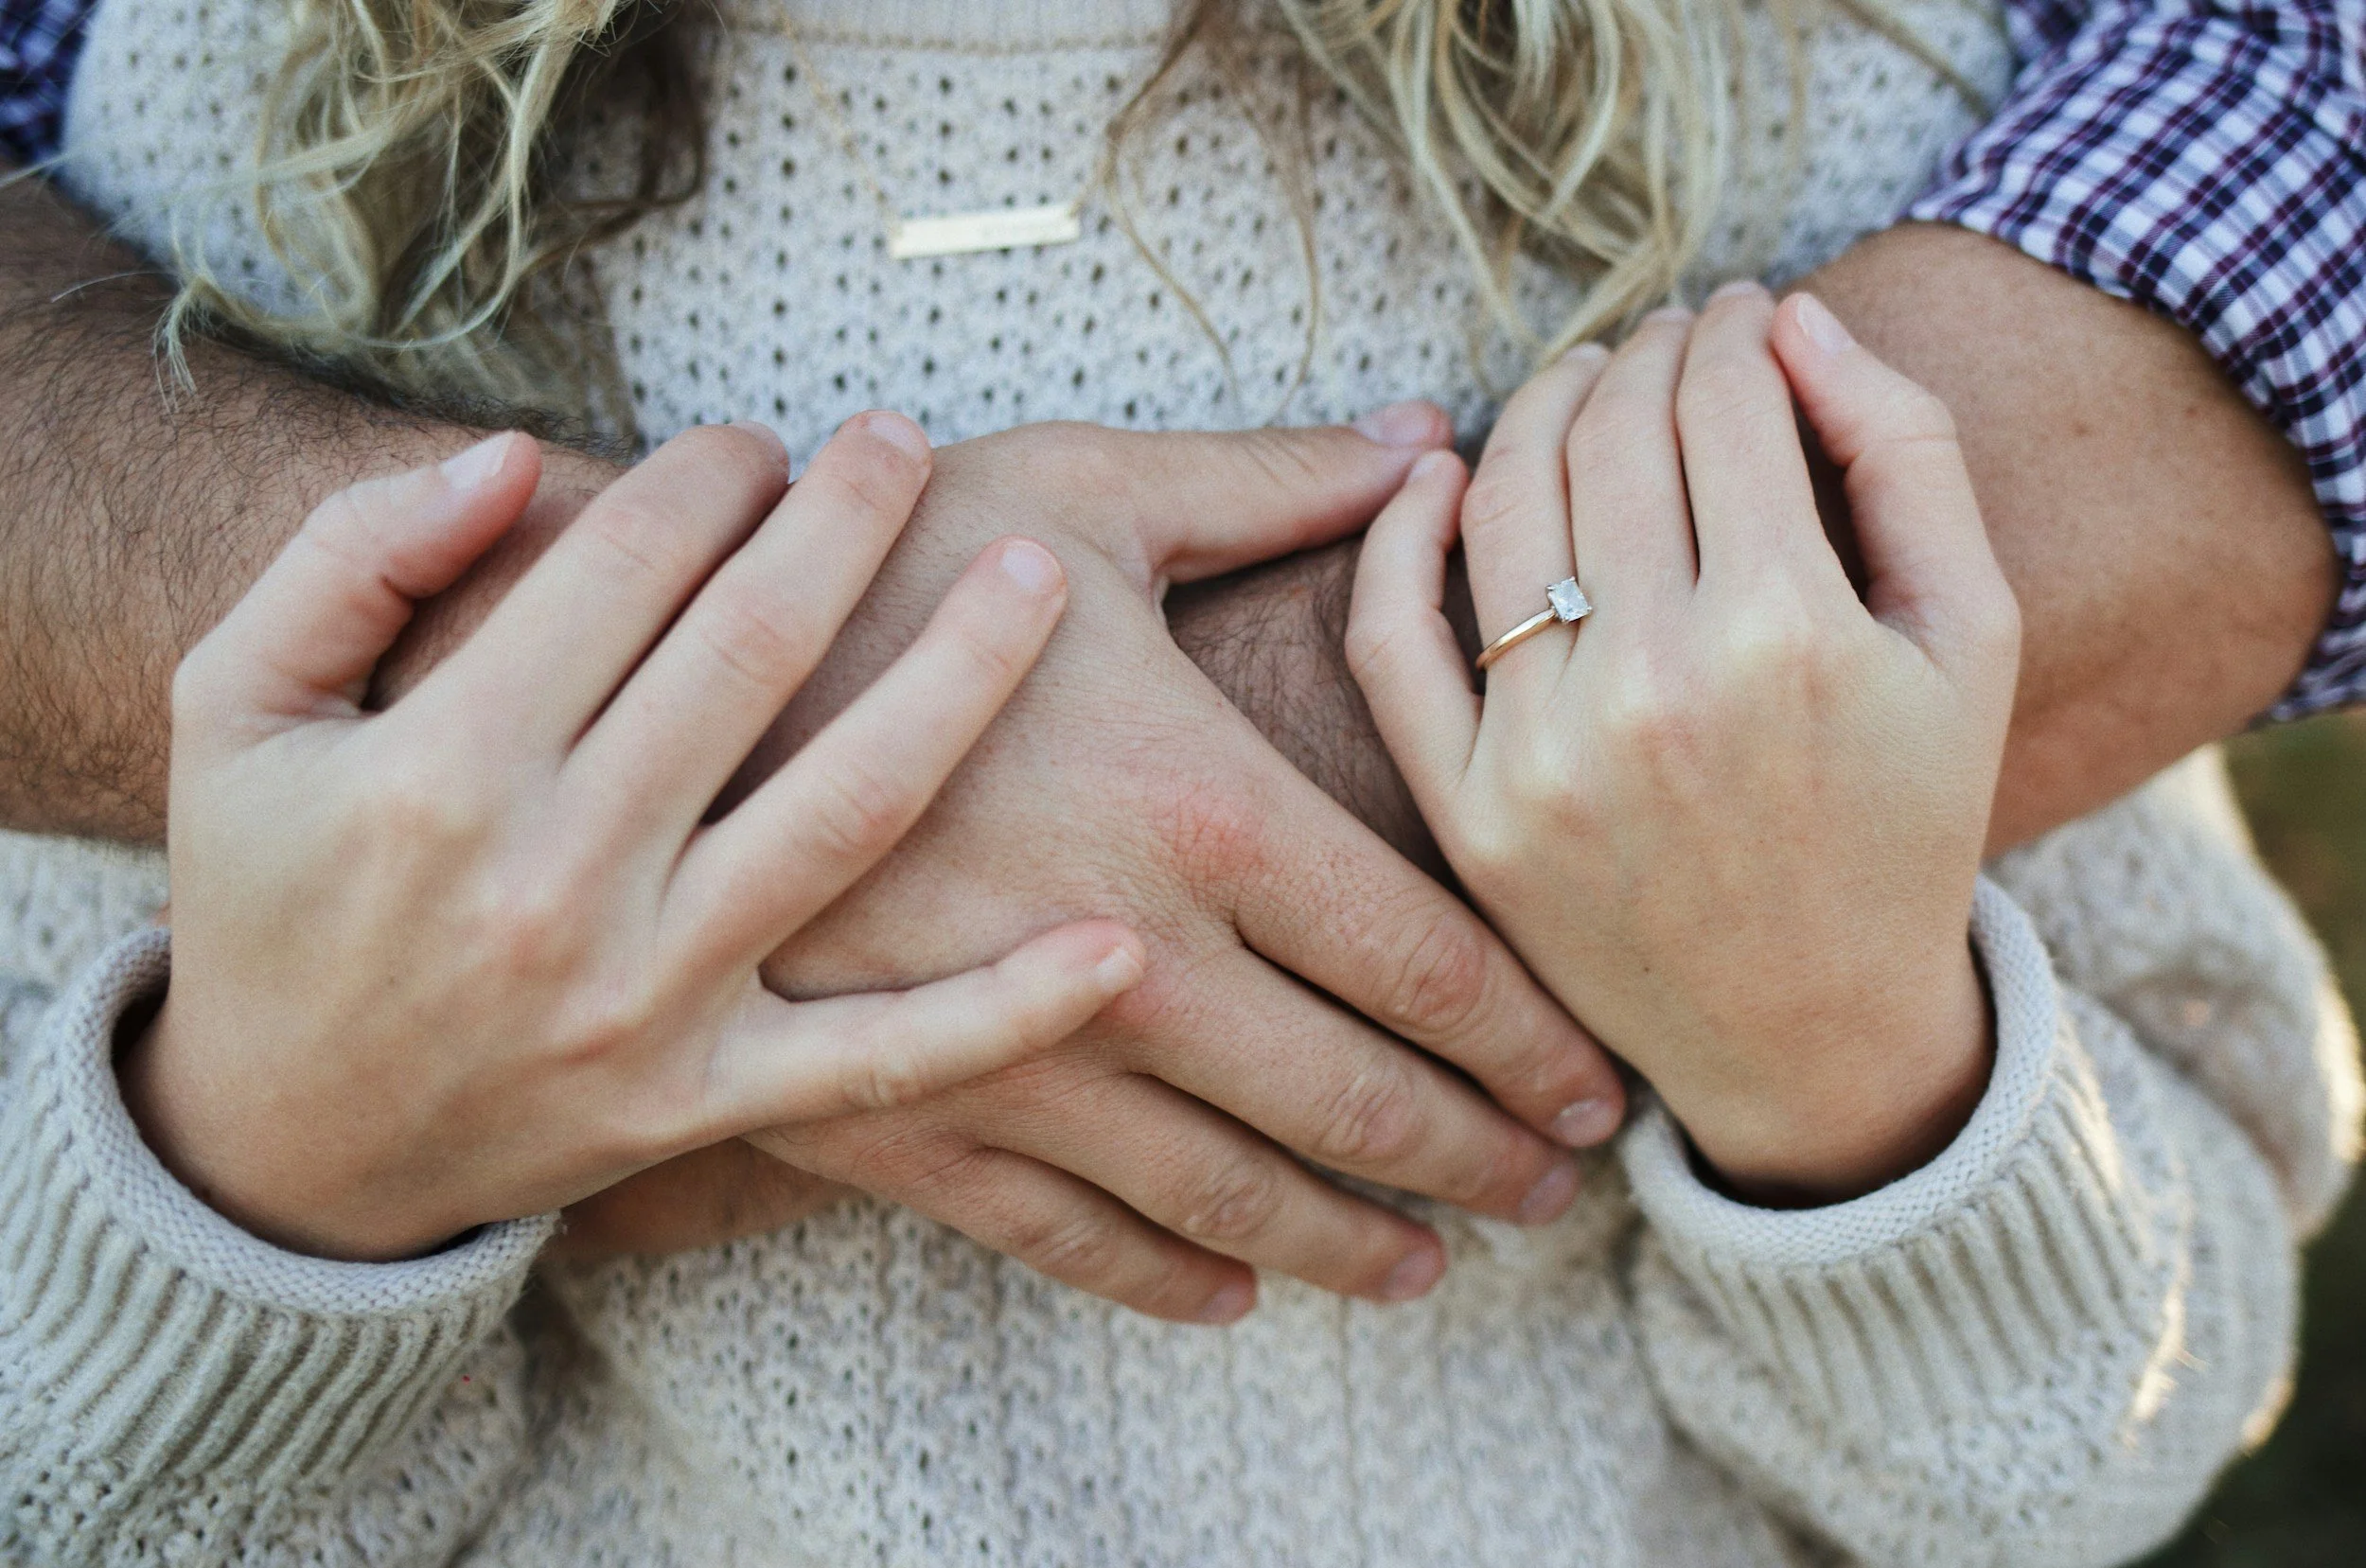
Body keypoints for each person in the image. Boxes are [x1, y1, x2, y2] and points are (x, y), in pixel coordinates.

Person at [0, 0, 2358, 1558]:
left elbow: (2098, 1438)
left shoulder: (1809, 71)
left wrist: (1846, 1070)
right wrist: (285, 1170)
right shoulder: (275, 107)